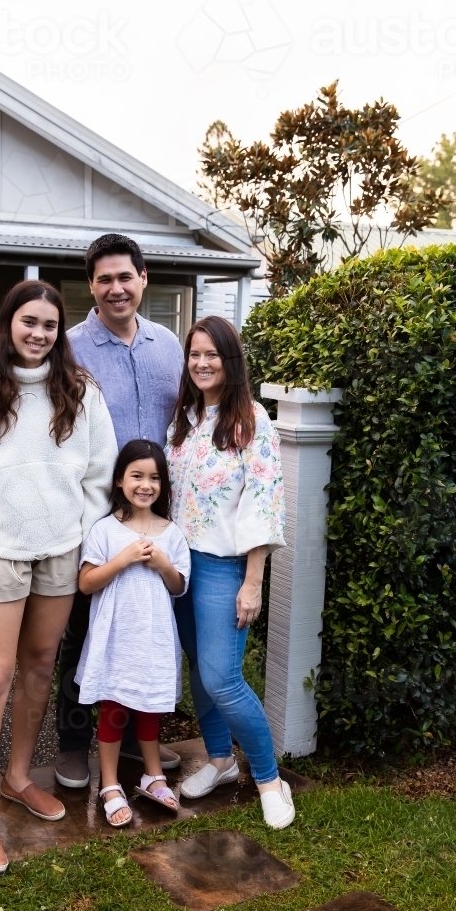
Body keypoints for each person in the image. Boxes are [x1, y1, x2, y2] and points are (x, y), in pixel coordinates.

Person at [0, 280, 117, 873]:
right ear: (8, 323)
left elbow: (99, 474)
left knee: (40, 667)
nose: (39, 334)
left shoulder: (81, 392)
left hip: (60, 554)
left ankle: (18, 777)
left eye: (49, 324)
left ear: (60, 331)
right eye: (28, 321)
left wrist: (88, 542)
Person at [55, 233, 184, 789]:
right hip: (97, 519)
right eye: (104, 279)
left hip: (157, 515)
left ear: (143, 278)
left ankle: (135, 742)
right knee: (87, 633)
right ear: (91, 285)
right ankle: (73, 744)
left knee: (145, 630)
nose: (115, 289)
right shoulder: (71, 348)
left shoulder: (169, 345)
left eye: (124, 277)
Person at [165, 315, 295, 829]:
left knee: (223, 676)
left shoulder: (251, 419)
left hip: (223, 566)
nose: (201, 363)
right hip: (179, 565)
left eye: (211, 355)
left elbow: (265, 502)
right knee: (198, 666)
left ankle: (268, 778)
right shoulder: (183, 417)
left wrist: (253, 580)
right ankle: (219, 760)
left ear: (230, 360)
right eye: (194, 354)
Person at [75, 440, 191, 826]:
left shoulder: (171, 533)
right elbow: (87, 583)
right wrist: (122, 559)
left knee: (150, 704)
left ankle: (152, 775)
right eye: (137, 476)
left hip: (154, 636)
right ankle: (109, 783)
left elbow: (178, 586)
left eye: (154, 478)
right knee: (114, 707)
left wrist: (161, 563)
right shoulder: (105, 530)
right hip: (116, 636)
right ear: (120, 481)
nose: (146, 485)